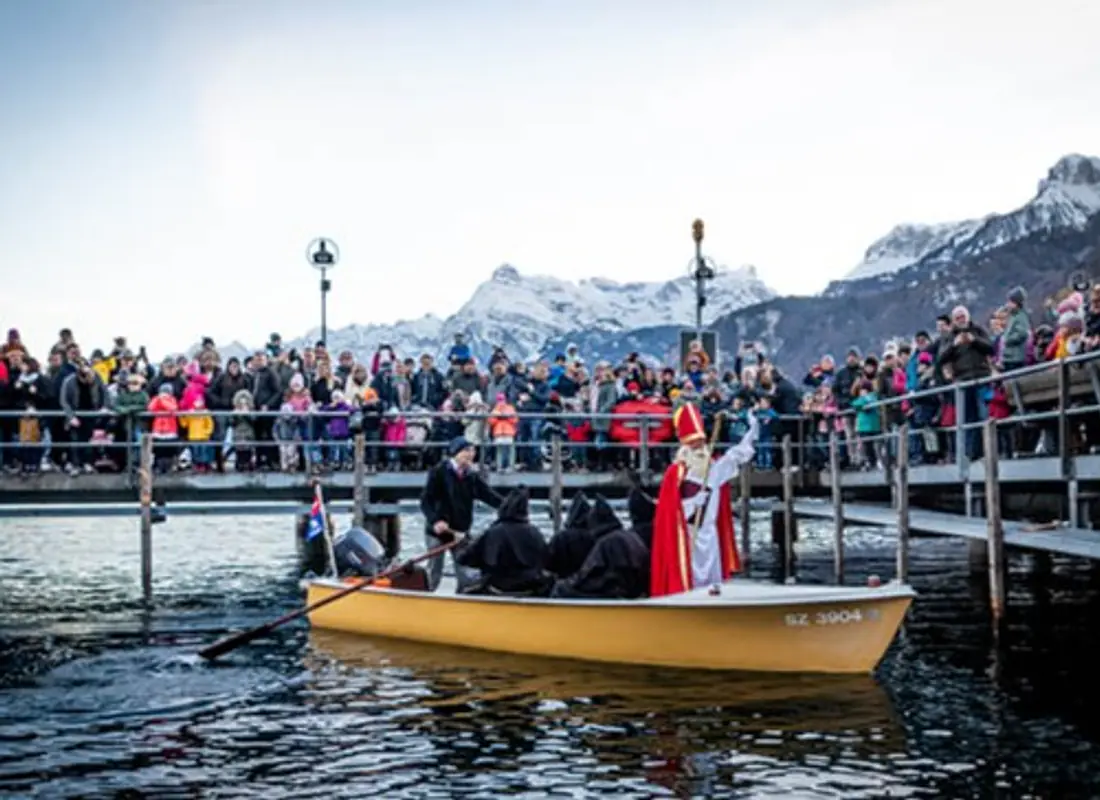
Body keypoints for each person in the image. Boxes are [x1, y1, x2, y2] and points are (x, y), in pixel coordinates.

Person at [650, 403, 758, 597]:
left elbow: (738, 454)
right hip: (688, 533)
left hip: (709, 532)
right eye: (694, 443)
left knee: (712, 574)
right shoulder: (677, 472)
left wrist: (752, 427)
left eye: (701, 442)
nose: (699, 447)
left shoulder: (713, 468)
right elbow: (672, 511)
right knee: (690, 571)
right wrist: (693, 503)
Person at [419, 436, 503, 591]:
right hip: (438, 530)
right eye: (467, 451)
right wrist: (435, 520)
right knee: (434, 571)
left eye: (473, 451)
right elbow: (425, 501)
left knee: (466, 572)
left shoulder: (471, 476)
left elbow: (488, 495)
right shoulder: (439, 472)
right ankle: (425, 597)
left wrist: (507, 505)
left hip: (460, 531)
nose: (471, 454)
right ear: (456, 453)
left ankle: (463, 597)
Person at [456, 486, 552, 596]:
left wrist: (464, 544)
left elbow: (464, 558)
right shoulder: (535, 533)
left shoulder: (493, 532)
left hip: (498, 587)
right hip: (529, 587)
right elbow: (546, 560)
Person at [550, 495, 649, 600]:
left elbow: (588, 573)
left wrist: (565, 584)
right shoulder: (629, 536)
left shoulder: (607, 542)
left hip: (611, 591)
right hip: (631, 589)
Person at [545, 491, 593, 579]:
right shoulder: (595, 537)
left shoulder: (561, 537)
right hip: (589, 582)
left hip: (564, 581)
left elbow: (548, 563)